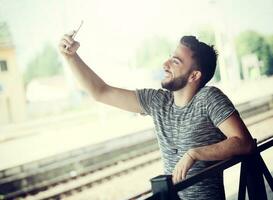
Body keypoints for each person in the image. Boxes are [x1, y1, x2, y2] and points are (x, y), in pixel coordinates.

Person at [59, 33, 254, 200]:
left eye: (175, 62)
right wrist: (71, 57)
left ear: (194, 76)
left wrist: (195, 154)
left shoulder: (209, 98)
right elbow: (101, 92)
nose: (165, 64)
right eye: (170, 57)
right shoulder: (157, 101)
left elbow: (244, 142)